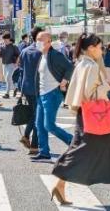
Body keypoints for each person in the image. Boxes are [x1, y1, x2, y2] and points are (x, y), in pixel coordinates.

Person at [48, 33, 110, 207]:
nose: (101, 50)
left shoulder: (82, 63)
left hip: (86, 114)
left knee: (107, 153)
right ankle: (59, 178)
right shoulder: (92, 66)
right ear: (90, 48)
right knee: (81, 151)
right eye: (98, 47)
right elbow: (91, 95)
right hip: (93, 116)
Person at [30, 30, 74, 162]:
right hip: (42, 94)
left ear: (48, 42)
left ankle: (73, 142)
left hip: (52, 93)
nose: (37, 42)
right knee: (39, 124)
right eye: (37, 39)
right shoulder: (42, 55)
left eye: (40, 39)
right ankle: (44, 152)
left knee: (49, 125)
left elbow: (70, 67)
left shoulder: (55, 55)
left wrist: (64, 81)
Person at [17, 30, 43, 153]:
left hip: (26, 87)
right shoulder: (42, 52)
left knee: (35, 114)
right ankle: (34, 144)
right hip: (39, 87)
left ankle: (27, 137)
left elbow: (20, 69)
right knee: (38, 116)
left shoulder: (24, 51)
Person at [0, 34, 21, 98]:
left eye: (6, 39)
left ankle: (7, 93)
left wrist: (16, 63)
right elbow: (0, 56)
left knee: (8, 77)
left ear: (9, 39)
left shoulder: (14, 46)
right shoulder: (2, 47)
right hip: (4, 64)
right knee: (7, 79)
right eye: (3, 39)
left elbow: (19, 55)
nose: (4, 41)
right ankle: (15, 89)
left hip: (12, 64)